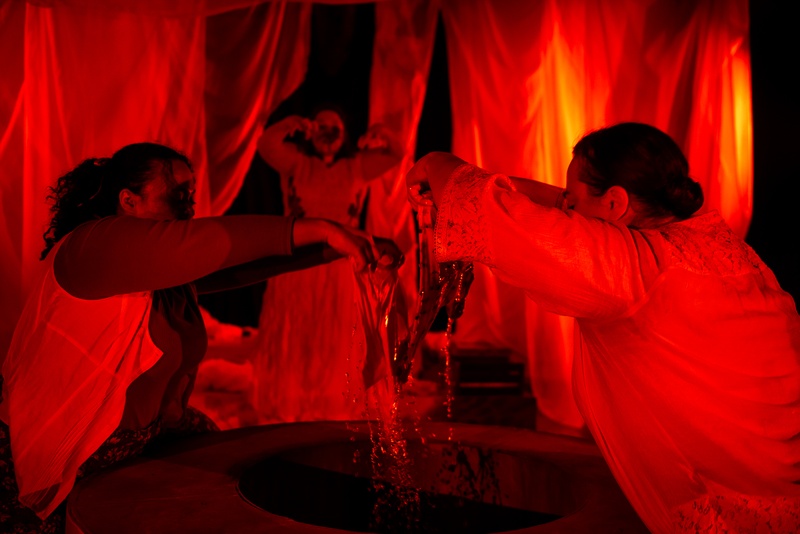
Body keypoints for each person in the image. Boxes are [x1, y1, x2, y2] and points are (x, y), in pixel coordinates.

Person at [406, 122, 800, 533]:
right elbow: (561, 215)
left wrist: (436, 163)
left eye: (573, 202)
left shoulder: (633, 270)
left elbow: (497, 218)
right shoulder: (725, 249)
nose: (565, 210)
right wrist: (565, 200)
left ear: (614, 202)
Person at [0, 142, 400, 532]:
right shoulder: (92, 246)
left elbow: (244, 261)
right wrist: (322, 229)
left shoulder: (164, 270)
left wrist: (346, 244)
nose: (189, 204)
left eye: (191, 193)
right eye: (176, 193)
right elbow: (212, 241)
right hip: (72, 447)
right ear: (129, 200)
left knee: (232, 472)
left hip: (143, 438)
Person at [252, 106, 403, 422]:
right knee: (296, 328)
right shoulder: (296, 163)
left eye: (334, 128)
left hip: (339, 263)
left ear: (344, 136)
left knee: (334, 331)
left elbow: (396, 153)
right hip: (297, 260)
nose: (327, 134)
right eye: (320, 127)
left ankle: (332, 396)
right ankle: (292, 395)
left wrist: (381, 131)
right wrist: (293, 122)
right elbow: (266, 144)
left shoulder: (357, 167)